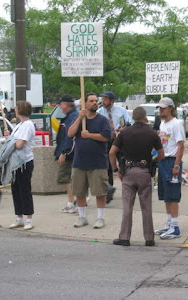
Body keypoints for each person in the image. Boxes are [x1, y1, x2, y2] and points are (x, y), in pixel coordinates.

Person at [109, 107, 164, 246]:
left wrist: (116, 169)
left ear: (132, 117)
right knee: (146, 207)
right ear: (145, 117)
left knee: (127, 206)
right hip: (144, 171)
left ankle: (125, 237)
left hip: (128, 171)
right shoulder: (151, 133)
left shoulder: (124, 132)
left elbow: (112, 153)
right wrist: (153, 161)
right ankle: (149, 238)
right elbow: (161, 153)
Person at [68, 93, 111, 229]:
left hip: (97, 162)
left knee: (100, 192)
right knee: (79, 191)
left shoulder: (102, 120)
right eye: (91, 101)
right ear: (84, 103)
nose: (94, 103)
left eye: (96, 101)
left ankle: (100, 217)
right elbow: (70, 133)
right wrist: (79, 119)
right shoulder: (79, 118)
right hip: (80, 162)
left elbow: (106, 137)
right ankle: (82, 217)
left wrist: (89, 135)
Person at [154, 97, 185, 240]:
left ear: (170, 108)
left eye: (163, 108)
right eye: (160, 108)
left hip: (172, 161)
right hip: (163, 161)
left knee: (173, 195)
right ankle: (169, 223)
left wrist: (177, 165)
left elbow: (180, 145)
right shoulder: (162, 124)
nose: (161, 110)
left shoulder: (177, 124)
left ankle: (175, 226)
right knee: (165, 194)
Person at [6, 101, 36, 231]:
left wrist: (11, 141)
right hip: (15, 162)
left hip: (24, 162)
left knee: (24, 189)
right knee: (16, 189)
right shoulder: (20, 125)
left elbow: (19, 144)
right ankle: (19, 217)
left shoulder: (27, 125)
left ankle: (29, 218)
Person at [97, 91, 131, 203]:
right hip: (106, 141)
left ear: (112, 101)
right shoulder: (99, 112)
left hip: (119, 140)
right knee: (107, 166)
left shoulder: (121, 111)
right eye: (102, 99)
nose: (103, 101)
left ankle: (127, 188)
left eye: (106, 99)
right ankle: (109, 190)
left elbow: (129, 123)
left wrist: (124, 128)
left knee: (122, 163)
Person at [54, 95, 79, 213]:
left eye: (60, 104)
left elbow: (70, 137)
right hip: (68, 151)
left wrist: (64, 152)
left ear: (65, 104)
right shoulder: (71, 116)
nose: (59, 107)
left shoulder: (72, 117)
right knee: (67, 178)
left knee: (64, 178)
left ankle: (72, 202)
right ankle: (73, 201)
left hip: (68, 153)